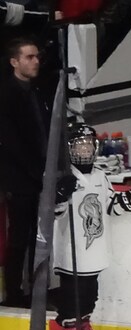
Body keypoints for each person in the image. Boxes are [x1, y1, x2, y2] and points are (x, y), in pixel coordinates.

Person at [51, 124, 131, 330]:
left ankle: (83, 323)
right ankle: (70, 328)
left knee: (90, 291)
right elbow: (53, 214)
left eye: (88, 145)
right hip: (70, 249)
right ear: (69, 149)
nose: (84, 150)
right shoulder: (63, 177)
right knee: (72, 292)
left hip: (94, 249)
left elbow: (110, 206)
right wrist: (59, 195)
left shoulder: (100, 176)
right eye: (79, 145)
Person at [0, 37, 49, 308]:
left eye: (36, 56)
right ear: (14, 62)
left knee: (34, 235)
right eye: (29, 57)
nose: (36, 61)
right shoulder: (7, 94)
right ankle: (14, 294)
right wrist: (35, 172)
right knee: (20, 235)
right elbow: (12, 142)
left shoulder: (35, 91)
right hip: (20, 178)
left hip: (37, 175)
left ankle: (31, 288)